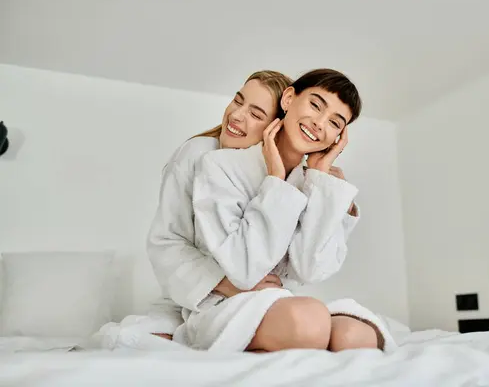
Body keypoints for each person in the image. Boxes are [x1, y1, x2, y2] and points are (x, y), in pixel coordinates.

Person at [176, 69, 395, 353]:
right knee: (309, 320)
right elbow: (244, 270)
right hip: (222, 308)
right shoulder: (220, 166)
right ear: (289, 98)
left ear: (338, 138)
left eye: (334, 123)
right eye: (316, 105)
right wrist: (275, 182)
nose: (319, 123)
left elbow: (310, 269)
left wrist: (319, 178)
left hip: (280, 304)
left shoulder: (313, 183)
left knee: (356, 336)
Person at [85, 70, 293, 350]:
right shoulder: (198, 153)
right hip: (193, 298)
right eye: (237, 100)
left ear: (275, 129)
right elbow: (166, 241)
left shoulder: (279, 179)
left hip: (255, 301)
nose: (236, 115)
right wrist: (224, 284)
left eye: (256, 114)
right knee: (141, 346)